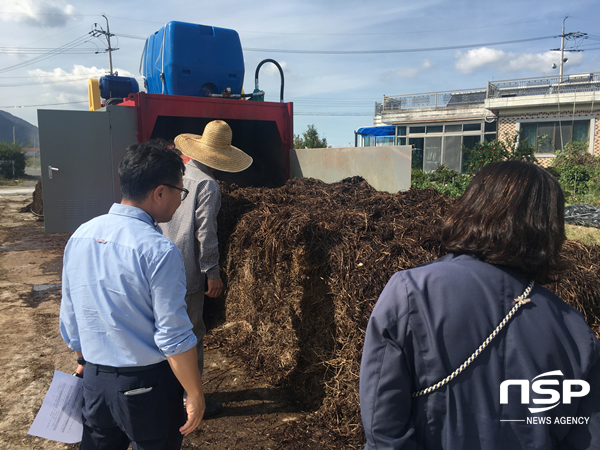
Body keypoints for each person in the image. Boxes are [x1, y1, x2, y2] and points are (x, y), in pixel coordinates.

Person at [360, 161, 600, 449]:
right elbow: (586, 438)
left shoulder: (411, 293)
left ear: (471, 208)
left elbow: (383, 428)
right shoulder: (574, 331)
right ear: (549, 229)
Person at [60, 139, 205, 450]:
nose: (180, 201)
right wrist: (194, 392)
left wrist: (83, 359)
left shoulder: (81, 234)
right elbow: (173, 336)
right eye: (180, 191)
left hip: (95, 380)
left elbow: (71, 315)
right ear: (160, 192)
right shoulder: (158, 250)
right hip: (146, 386)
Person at [160, 120, 252, 416]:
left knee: (166, 333)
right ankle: (191, 400)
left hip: (161, 267)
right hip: (187, 272)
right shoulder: (208, 184)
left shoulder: (178, 175)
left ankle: (167, 394)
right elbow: (205, 233)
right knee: (190, 337)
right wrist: (212, 272)